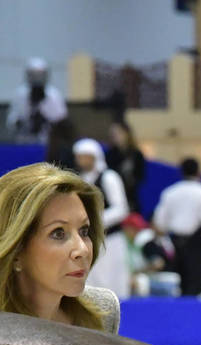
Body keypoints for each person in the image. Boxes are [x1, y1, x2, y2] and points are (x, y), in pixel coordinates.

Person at [0, 162, 118, 333]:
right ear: (16, 250)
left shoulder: (103, 312)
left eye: (84, 231)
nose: (82, 250)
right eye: (58, 233)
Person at [153, 157, 201, 296]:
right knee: (195, 288)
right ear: (199, 173)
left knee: (176, 289)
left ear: (181, 172)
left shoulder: (170, 193)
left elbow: (159, 223)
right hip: (195, 244)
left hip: (175, 243)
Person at [74, 137, 131, 298]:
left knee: (111, 283)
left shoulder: (109, 177)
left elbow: (121, 208)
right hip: (88, 240)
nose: (80, 160)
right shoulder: (80, 179)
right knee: (90, 282)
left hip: (110, 240)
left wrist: (94, 221)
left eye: (84, 156)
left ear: (94, 157)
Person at [5, 58, 67, 143]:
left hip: (48, 142)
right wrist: (21, 122)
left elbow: (62, 121)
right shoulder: (20, 94)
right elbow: (11, 121)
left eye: (40, 75)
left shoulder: (54, 95)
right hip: (24, 141)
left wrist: (45, 119)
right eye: (33, 75)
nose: (37, 78)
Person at [106, 121, 147, 213]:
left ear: (127, 134)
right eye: (113, 134)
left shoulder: (136, 154)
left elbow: (141, 176)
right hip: (113, 195)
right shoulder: (110, 154)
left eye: (118, 133)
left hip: (131, 197)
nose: (115, 136)